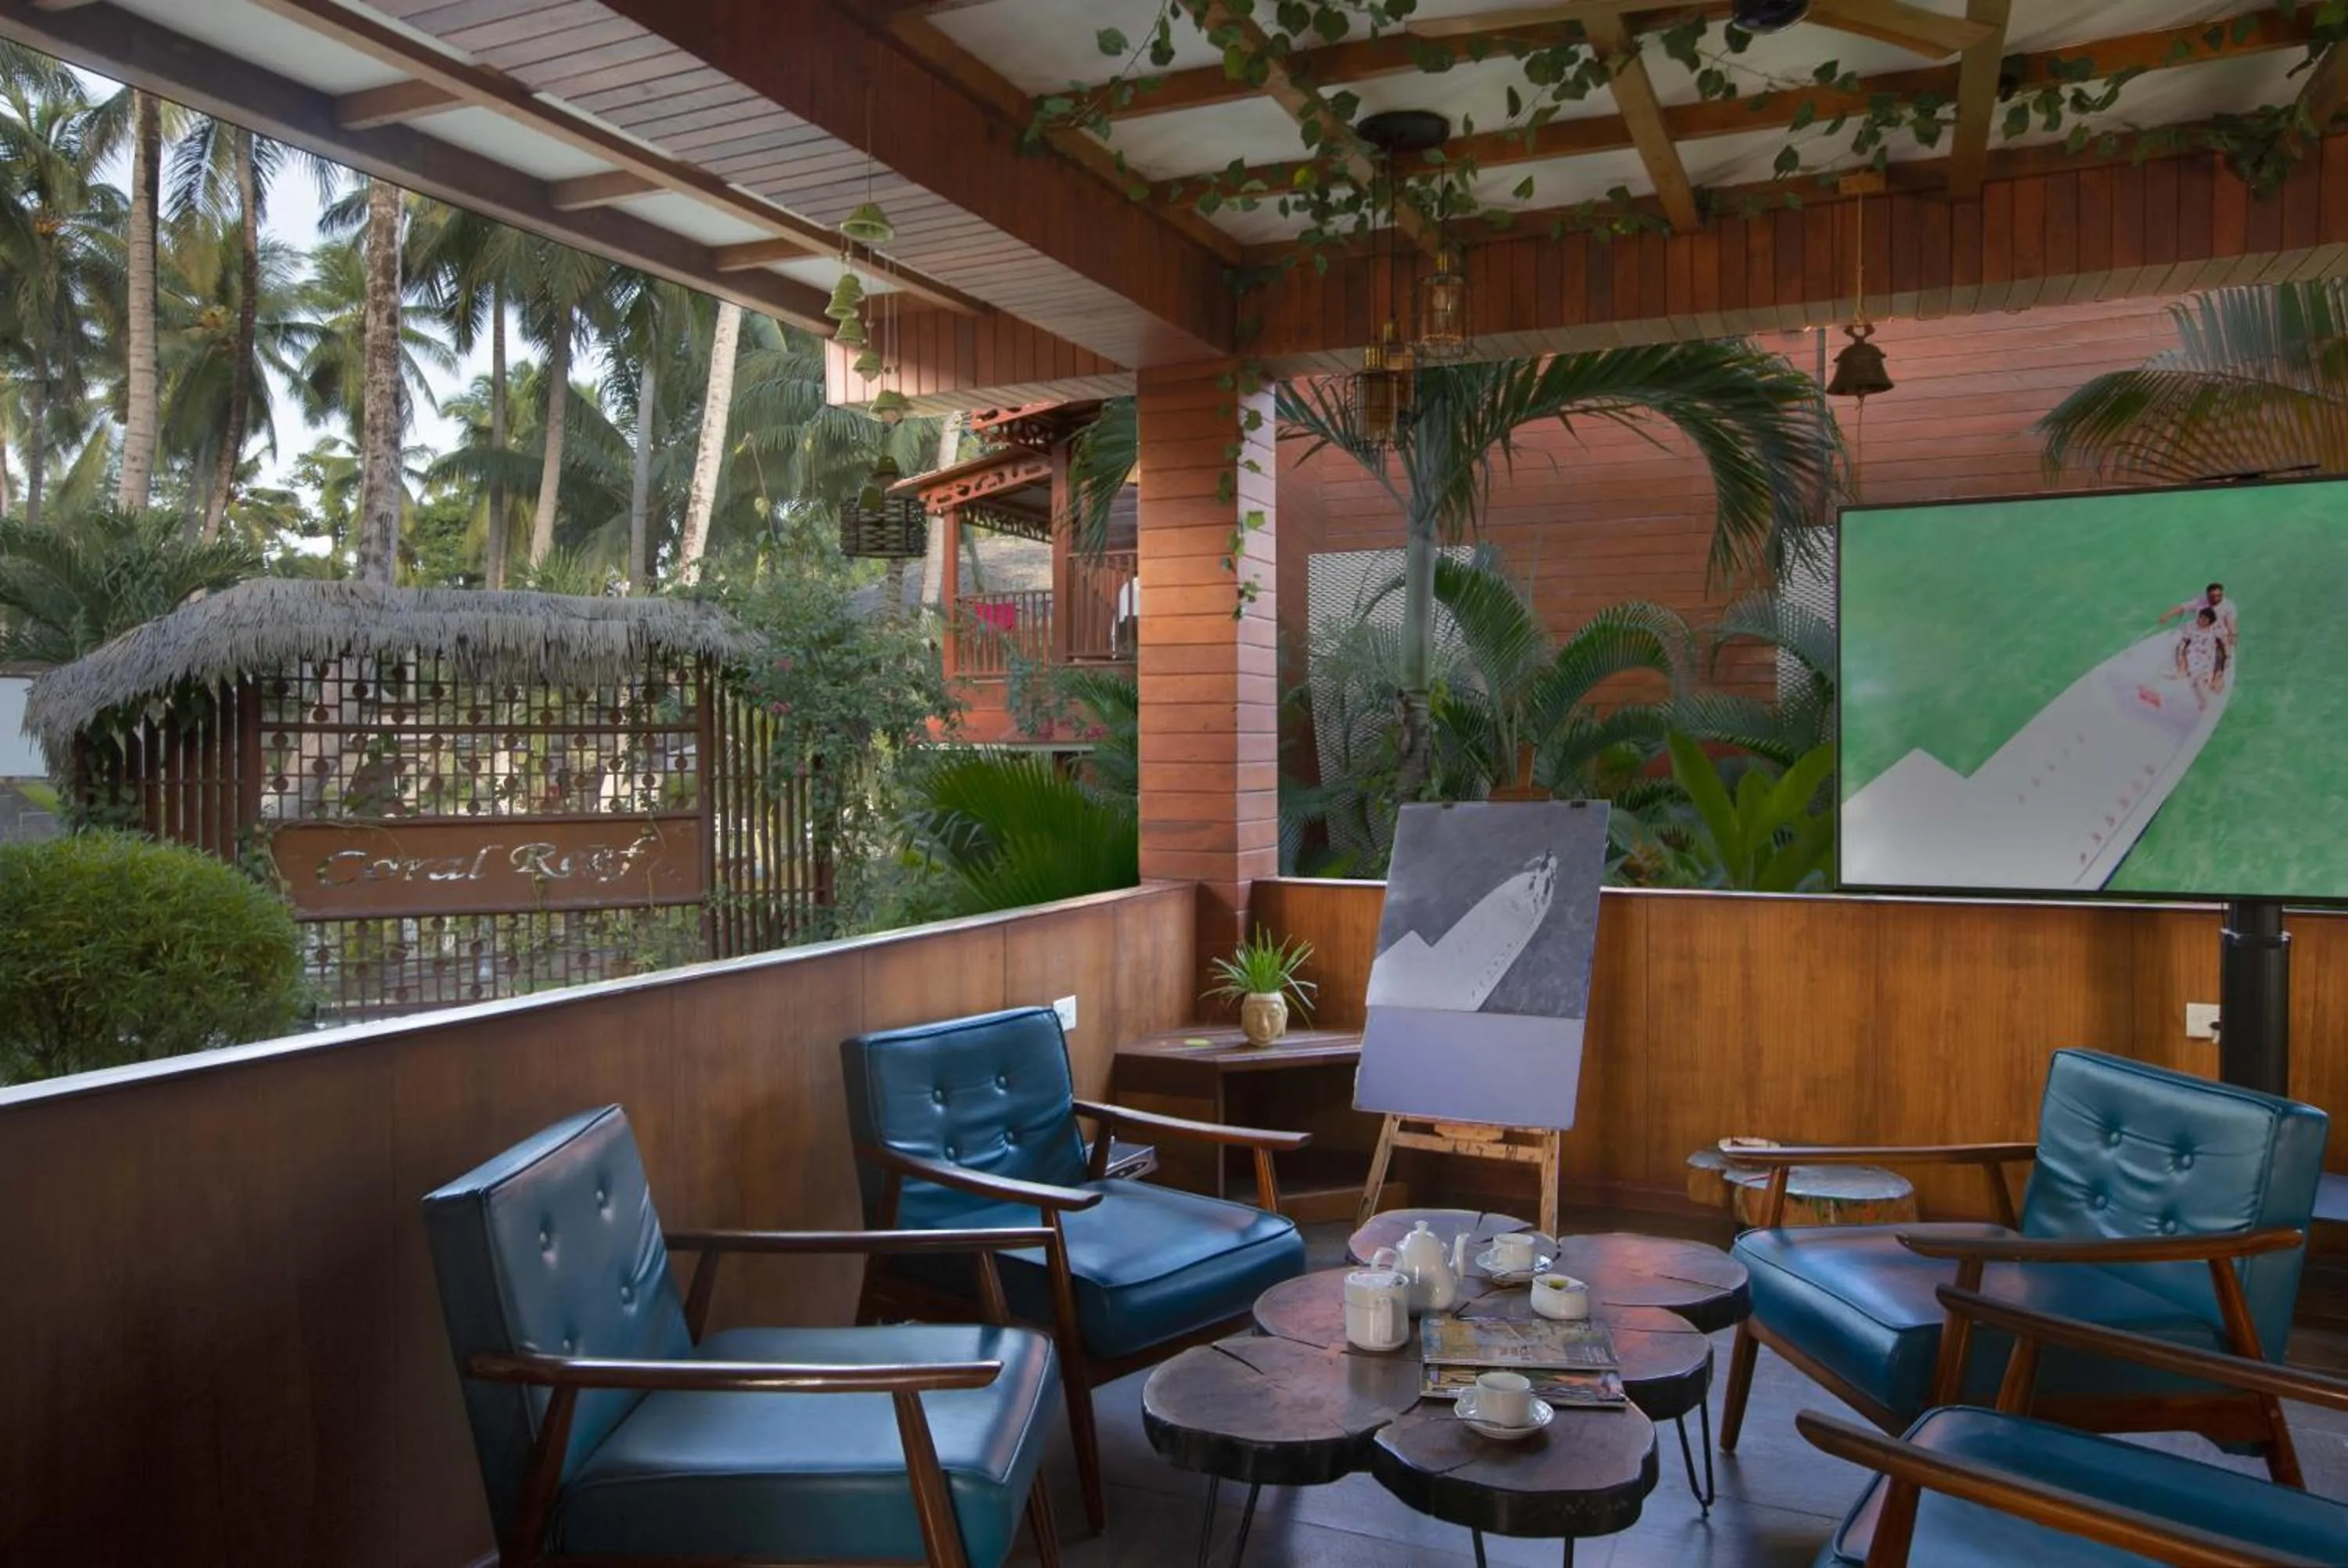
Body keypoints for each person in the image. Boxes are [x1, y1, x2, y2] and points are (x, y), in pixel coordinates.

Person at [2174, 606, 2224, 710]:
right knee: (2198, 677)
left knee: (2200, 679)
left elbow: (2223, 641)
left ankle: (2204, 700)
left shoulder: (2213, 629)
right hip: (2193, 654)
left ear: (2210, 621)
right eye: (2200, 617)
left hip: (2206, 656)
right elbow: (2184, 641)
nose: (2201, 620)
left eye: (2205, 619)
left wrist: (2226, 656)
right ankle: (2204, 699)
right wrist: (2181, 653)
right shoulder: (2192, 627)